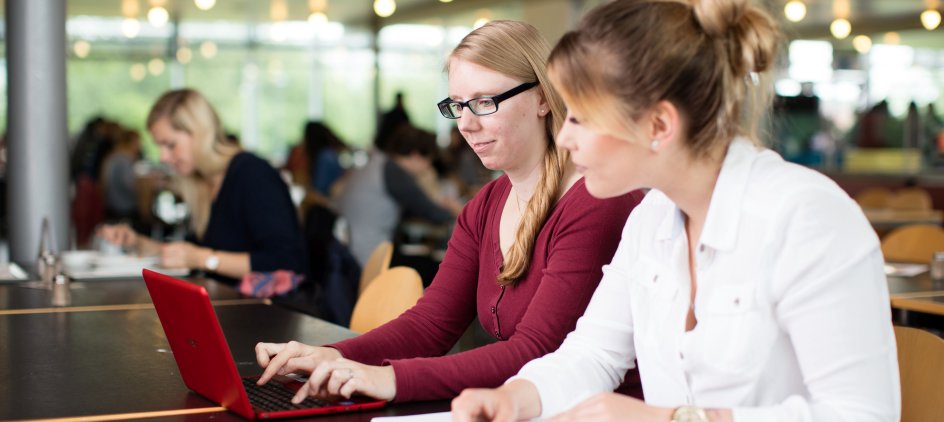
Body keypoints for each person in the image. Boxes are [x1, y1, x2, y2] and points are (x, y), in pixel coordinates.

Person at [452, 1, 900, 421]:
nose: (565, 138)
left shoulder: (808, 218)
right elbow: (593, 354)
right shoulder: (650, 219)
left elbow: (861, 414)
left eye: (582, 117)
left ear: (659, 125)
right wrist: (513, 397)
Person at [254, 20, 644, 404]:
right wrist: (336, 355)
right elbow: (431, 325)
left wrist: (388, 379)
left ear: (543, 97)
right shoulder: (485, 207)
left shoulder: (595, 202)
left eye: (485, 102)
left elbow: (536, 352)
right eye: (457, 106)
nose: (466, 125)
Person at [97, 89, 307, 290]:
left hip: (271, 317)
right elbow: (190, 252)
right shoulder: (203, 183)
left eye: (170, 145)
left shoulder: (252, 174)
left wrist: (203, 259)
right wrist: (136, 242)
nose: (163, 157)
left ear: (199, 133)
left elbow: (285, 260)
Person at [334, 123, 461, 266]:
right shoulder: (395, 173)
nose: (427, 168)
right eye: (428, 162)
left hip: (352, 249)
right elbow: (430, 212)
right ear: (416, 156)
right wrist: (457, 211)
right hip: (368, 257)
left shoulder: (379, 164)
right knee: (439, 267)